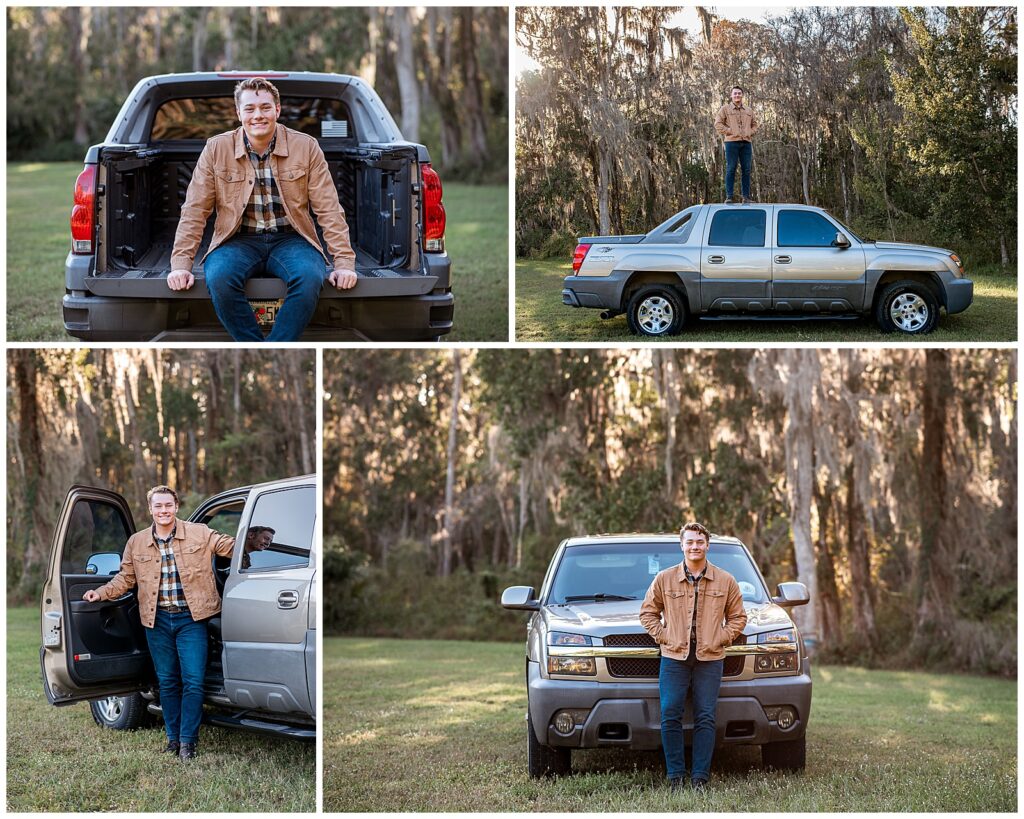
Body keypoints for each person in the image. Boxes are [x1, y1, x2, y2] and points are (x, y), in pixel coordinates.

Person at [166, 77, 358, 341]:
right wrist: (180, 265)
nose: (258, 115)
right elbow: (194, 210)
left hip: (292, 238)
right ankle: (258, 348)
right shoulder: (216, 148)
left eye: (265, 107)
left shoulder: (306, 147)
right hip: (237, 240)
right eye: (250, 108)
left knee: (310, 277)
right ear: (238, 113)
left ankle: (272, 349)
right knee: (219, 278)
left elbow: (329, 208)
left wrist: (344, 263)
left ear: (277, 110)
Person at [83, 485, 236, 761]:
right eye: (158, 506)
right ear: (150, 509)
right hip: (157, 620)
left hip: (192, 619)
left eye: (168, 505)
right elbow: (125, 578)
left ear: (176, 507)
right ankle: (173, 739)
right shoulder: (137, 542)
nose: (163, 510)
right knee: (167, 682)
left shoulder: (200, 533)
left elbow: (229, 546)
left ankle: (188, 742)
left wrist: (252, 540)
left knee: (193, 681)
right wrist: (101, 592)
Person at [639, 521, 747, 791]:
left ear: (707, 545)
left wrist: (721, 638)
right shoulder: (664, 579)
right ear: (682, 545)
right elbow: (647, 613)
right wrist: (665, 636)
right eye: (689, 542)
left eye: (699, 542)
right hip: (674, 658)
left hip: (710, 659)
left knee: (706, 716)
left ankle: (700, 777)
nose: (694, 546)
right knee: (670, 714)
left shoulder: (726, 580)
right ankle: (675, 776)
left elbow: (738, 618)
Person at [714, 85, 759, 204]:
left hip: (746, 143)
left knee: (746, 170)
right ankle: (729, 197)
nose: (737, 95)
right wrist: (730, 131)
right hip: (731, 143)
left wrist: (750, 132)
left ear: (742, 95)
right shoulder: (725, 109)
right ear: (731, 95)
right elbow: (718, 124)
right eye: (735, 93)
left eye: (739, 93)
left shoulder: (749, 110)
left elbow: (755, 125)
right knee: (731, 168)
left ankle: (746, 197)